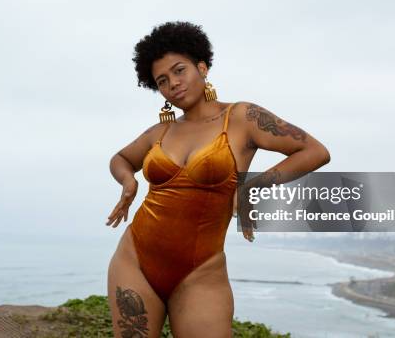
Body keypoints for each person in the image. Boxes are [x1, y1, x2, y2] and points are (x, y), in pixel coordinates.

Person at [106, 21, 330, 338]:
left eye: (180, 70)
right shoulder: (161, 131)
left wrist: (252, 186)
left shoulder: (241, 118)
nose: (173, 83)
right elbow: (121, 159)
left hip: (201, 272)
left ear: (202, 66)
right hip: (135, 262)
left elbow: (314, 151)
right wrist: (129, 182)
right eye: (163, 80)